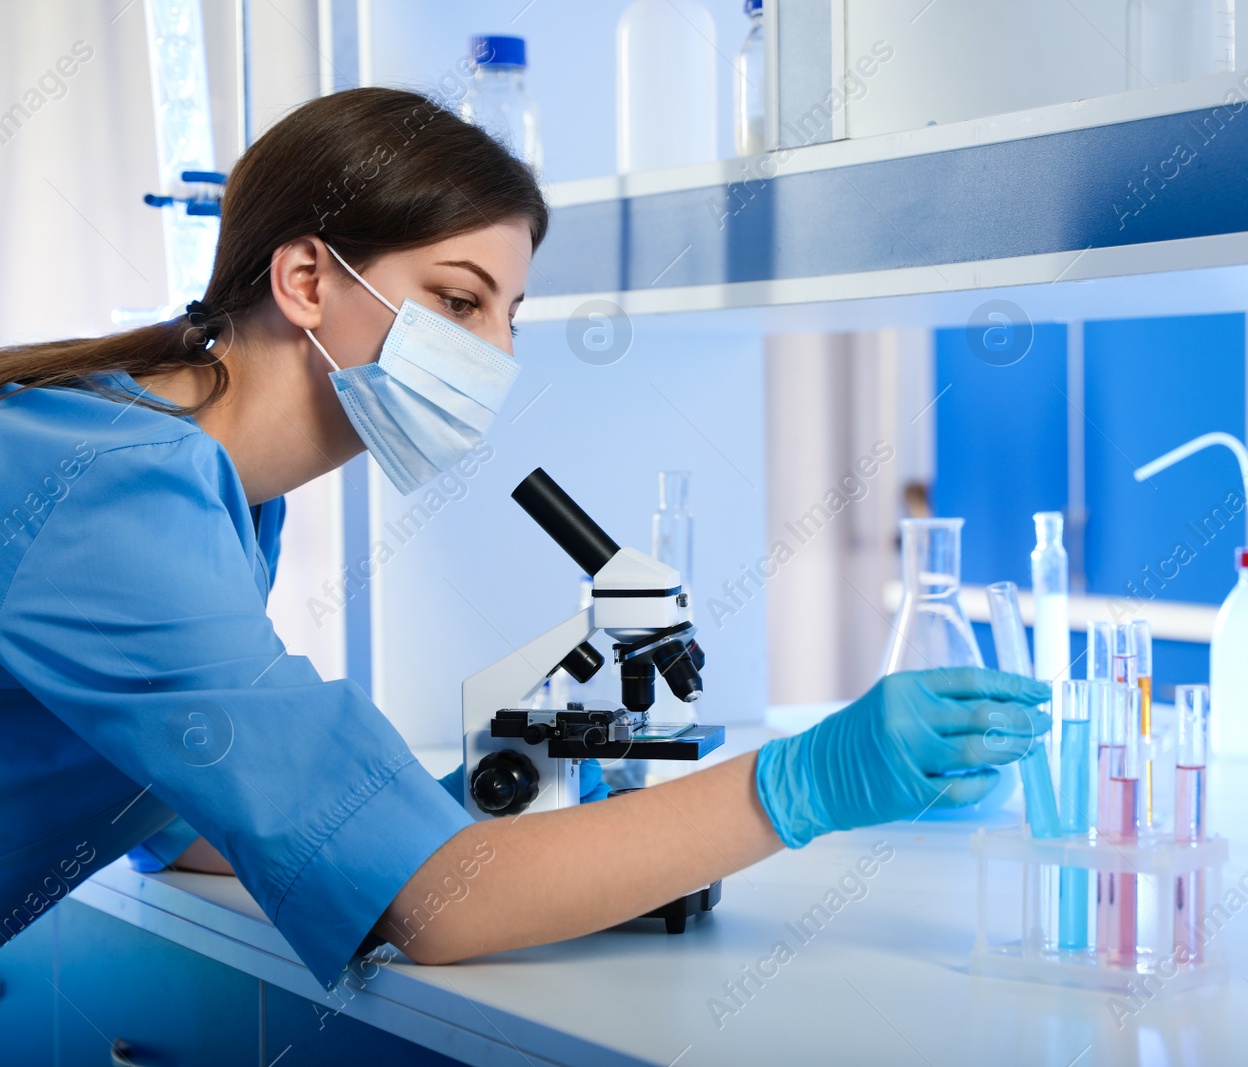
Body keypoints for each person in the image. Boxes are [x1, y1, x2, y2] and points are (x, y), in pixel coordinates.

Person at [0, 87, 1048, 988]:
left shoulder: (207, 489)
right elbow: (434, 909)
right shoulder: (122, 492)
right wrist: (807, 779)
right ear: (306, 280)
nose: (495, 353)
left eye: (512, 316)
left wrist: (422, 815)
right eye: (457, 300)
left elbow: (182, 814)